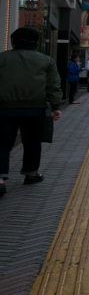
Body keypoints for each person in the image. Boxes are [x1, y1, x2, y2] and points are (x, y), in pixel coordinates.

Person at [0, 27, 63, 192]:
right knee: (32, 142)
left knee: (3, 143)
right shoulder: (46, 61)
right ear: (36, 43)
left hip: (4, 109)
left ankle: (0, 180)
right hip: (35, 109)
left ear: (13, 41)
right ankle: (31, 174)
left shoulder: (2, 58)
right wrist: (56, 107)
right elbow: (53, 86)